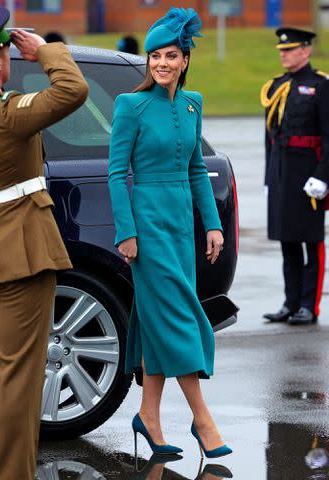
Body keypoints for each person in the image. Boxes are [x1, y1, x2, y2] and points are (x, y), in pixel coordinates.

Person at [109, 7, 232, 459]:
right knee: (179, 317)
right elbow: (115, 172)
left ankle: (150, 416)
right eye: (155, 55)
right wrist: (126, 231)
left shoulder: (193, 103)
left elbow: (197, 168)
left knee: (157, 319)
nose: (162, 63)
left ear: (184, 61)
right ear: (148, 61)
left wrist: (213, 225)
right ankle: (204, 420)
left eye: (171, 55)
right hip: (147, 223)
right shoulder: (130, 105)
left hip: (181, 223)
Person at [0, 7, 88, 480]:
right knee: (18, 381)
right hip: (20, 254)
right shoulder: (6, 114)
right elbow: (72, 89)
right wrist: (47, 50)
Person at [261, 27, 329, 326]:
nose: (284, 54)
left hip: (308, 176)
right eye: (282, 50)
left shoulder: (321, 86)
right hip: (282, 172)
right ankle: (290, 302)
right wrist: (268, 178)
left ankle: (308, 305)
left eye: (290, 50)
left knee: (311, 240)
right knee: (287, 240)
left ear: (306, 50)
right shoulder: (277, 86)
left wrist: (323, 176)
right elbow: (270, 138)